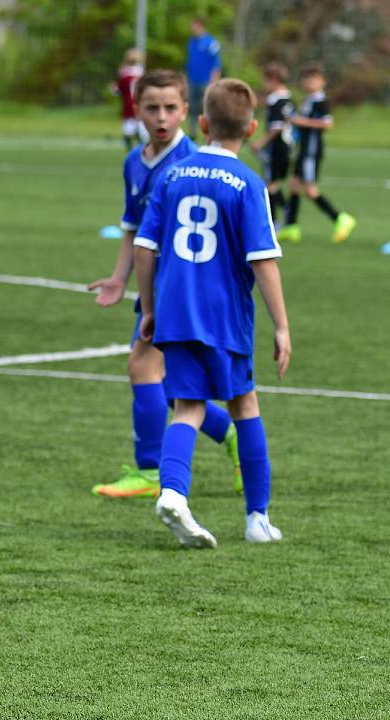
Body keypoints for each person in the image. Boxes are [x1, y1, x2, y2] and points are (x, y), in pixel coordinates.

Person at [134, 78, 291, 549]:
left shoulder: (172, 174)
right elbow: (262, 260)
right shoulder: (248, 182)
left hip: (176, 315)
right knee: (245, 405)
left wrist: (149, 309)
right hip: (225, 318)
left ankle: (173, 493)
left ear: (201, 123)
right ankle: (257, 519)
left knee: (187, 408)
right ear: (251, 127)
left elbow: (145, 247)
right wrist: (281, 325)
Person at [89, 70, 240, 501]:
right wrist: (120, 279)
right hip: (157, 285)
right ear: (136, 109)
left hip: (184, 287)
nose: (162, 117)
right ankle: (232, 438)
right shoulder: (134, 161)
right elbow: (133, 229)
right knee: (171, 385)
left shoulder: (190, 163)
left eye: (171, 108)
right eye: (152, 107)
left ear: (187, 112)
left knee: (143, 368)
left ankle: (150, 469)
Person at [277, 64, 356, 244]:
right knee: (294, 185)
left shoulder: (321, 101)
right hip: (302, 150)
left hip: (311, 152)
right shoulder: (308, 100)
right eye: (306, 80)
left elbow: (327, 124)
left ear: (322, 82)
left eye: (313, 80)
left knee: (310, 190)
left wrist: (301, 121)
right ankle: (291, 226)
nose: (309, 84)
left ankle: (340, 218)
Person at [249, 63, 293, 224]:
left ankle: (275, 220)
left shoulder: (279, 101)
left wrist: (261, 143)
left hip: (277, 147)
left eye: (265, 80)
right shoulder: (284, 98)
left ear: (273, 80)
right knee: (272, 182)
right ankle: (288, 210)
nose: (263, 84)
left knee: (270, 184)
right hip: (283, 146)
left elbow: (277, 127)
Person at [185, 17, 221, 140]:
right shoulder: (191, 42)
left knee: (207, 107)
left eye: (194, 26)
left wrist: (214, 80)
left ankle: (211, 131)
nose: (192, 29)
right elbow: (189, 62)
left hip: (206, 81)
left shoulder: (211, 42)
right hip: (193, 81)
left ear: (201, 26)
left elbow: (216, 63)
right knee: (192, 107)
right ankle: (193, 132)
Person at [111, 48, 147, 151]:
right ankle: (143, 149)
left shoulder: (124, 76)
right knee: (142, 129)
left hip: (128, 105)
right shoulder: (142, 74)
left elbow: (117, 91)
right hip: (141, 104)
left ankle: (131, 150)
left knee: (128, 129)